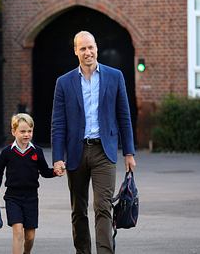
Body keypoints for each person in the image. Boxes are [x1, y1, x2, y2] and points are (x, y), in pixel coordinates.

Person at [51, 31, 137, 254]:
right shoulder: (64, 82)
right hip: (76, 152)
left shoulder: (114, 76)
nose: (87, 52)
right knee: (78, 209)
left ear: (96, 48)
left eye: (91, 47)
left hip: (104, 151)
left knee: (103, 207)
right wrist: (58, 158)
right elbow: (58, 124)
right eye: (82, 48)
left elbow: (124, 116)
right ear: (75, 51)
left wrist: (129, 152)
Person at [0, 113, 61, 254]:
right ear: (14, 131)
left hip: (31, 198)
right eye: (22, 131)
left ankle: (26, 252)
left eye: (29, 131)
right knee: (18, 232)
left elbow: (45, 171)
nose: (26, 134)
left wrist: (55, 172)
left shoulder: (37, 151)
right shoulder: (7, 152)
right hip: (13, 197)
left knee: (30, 236)